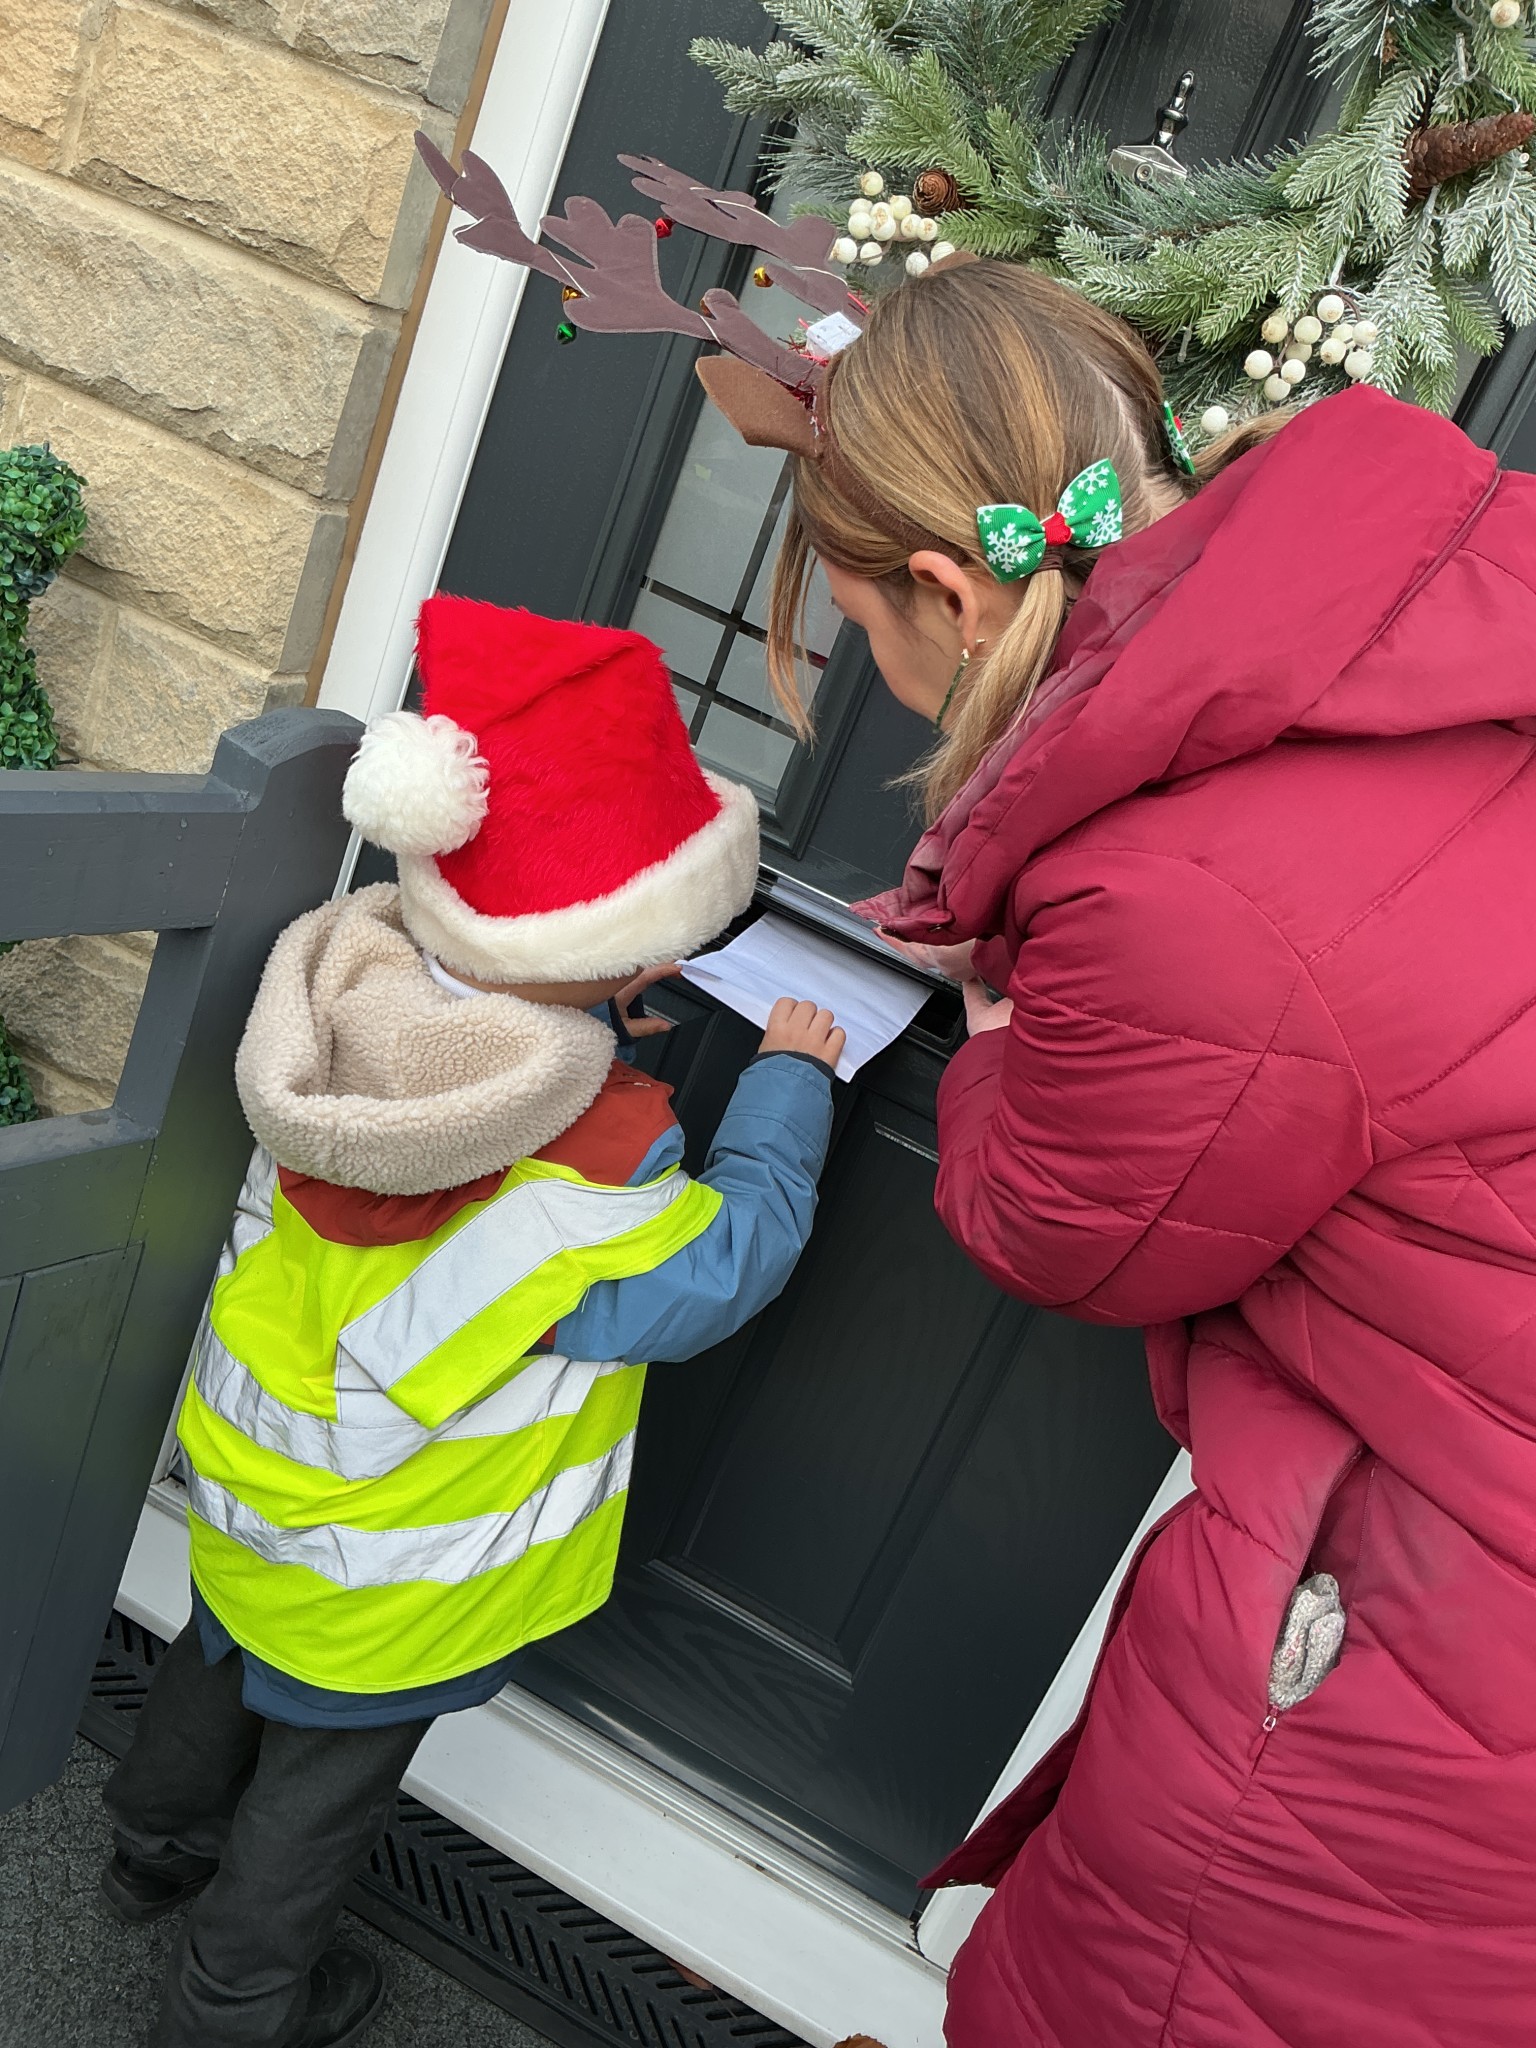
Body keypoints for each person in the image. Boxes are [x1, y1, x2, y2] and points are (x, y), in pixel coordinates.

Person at [759, 259, 1536, 2046]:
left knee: (1163, 1988)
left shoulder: (1175, 889)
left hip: (1446, 1631)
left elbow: (1070, 1228)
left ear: (948, 592)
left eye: (870, 633)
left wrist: (1000, 1019)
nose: (883, 672)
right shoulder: (1407, 598)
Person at [99, 597, 845, 2048]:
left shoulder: (336, 1007)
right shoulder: (605, 1163)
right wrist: (788, 1085)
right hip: (395, 1575)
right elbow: (728, 1264)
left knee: (213, 1675)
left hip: (259, 1498)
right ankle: (231, 2006)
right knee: (315, 1803)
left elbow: (470, 1086)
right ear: (616, 954)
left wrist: (571, 1020)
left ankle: (149, 1847)